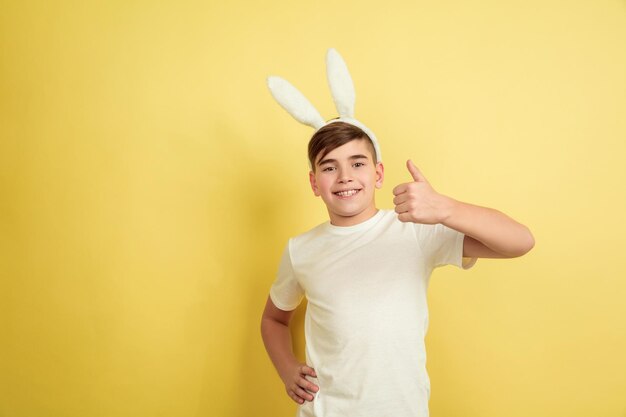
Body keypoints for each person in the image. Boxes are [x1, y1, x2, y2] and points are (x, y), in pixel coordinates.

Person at [261, 49, 534, 417]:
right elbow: (274, 319)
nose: (344, 177)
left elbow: (520, 241)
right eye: (329, 168)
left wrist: (445, 209)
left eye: (357, 163)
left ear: (378, 173)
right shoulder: (301, 250)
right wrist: (286, 368)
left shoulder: (415, 231)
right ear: (314, 183)